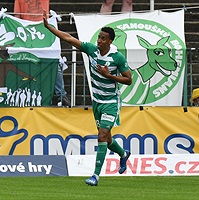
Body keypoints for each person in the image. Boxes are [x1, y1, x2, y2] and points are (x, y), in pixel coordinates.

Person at [43, 10, 132, 186]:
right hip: (97, 101)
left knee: (101, 136)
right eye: (99, 37)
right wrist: (49, 27)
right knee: (107, 139)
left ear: (110, 41)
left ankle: (95, 176)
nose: (99, 40)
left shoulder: (117, 57)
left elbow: (129, 80)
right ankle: (123, 154)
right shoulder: (92, 50)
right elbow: (69, 38)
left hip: (111, 103)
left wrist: (109, 75)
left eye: (103, 38)